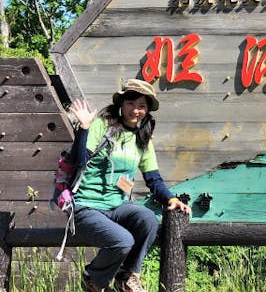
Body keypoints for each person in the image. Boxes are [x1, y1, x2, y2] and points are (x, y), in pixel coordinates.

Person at [68, 79, 192, 292]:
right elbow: (78, 161)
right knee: (123, 241)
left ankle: (127, 276)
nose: (135, 110)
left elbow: (153, 179)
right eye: (131, 103)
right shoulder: (102, 125)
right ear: (121, 104)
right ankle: (93, 279)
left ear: (148, 110)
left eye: (142, 105)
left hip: (117, 205)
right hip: (86, 206)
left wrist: (171, 199)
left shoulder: (143, 138)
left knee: (148, 219)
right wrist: (84, 128)